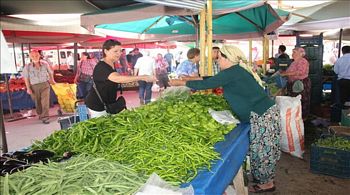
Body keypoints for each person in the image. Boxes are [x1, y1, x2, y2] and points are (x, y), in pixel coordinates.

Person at [170, 45, 281, 193]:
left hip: (262, 114)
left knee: (262, 149)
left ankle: (267, 184)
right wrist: (191, 78)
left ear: (227, 59)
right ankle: (266, 180)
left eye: (219, 58)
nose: (218, 61)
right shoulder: (233, 71)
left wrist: (183, 83)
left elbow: (207, 84)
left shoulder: (232, 72)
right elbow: (214, 79)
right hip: (263, 112)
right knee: (263, 148)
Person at [85, 40, 155, 118]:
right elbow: (117, 78)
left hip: (108, 103)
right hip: (97, 105)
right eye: (115, 51)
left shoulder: (112, 63)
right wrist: (143, 77)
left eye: (120, 51)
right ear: (106, 51)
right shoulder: (102, 67)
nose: (119, 53)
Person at [22, 50, 56, 124]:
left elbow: (50, 72)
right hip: (34, 86)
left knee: (45, 102)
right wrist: (28, 88)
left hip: (45, 85)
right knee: (37, 102)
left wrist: (52, 80)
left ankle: (45, 117)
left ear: (39, 56)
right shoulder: (27, 66)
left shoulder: (45, 64)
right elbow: (26, 78)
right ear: (30, 57)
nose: (35, 57)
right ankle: (40, 114)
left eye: (36, 55)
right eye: (33, 56)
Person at [280, 47, 311, 119]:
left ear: (301, 54)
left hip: (300, 83)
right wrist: (284, 72)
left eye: (294, 52)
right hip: (294, 83)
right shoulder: (295, 62)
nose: (292, 54)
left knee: (302, 100)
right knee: (296, 100)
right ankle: (297, 116)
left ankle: (302, 118)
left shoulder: (302, 61)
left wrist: (286, 74)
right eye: (292, 52)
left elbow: (300, 72)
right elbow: (290, 71)